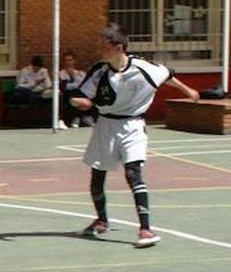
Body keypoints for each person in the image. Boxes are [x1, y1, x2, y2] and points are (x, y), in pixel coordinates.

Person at [69, 22, 199, 248]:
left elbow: (167, 74)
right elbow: (82, 95)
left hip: (133, 125)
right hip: (105, 126)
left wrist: (187, 90)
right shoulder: (99, 71)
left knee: (133, 173)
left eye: (104, 44)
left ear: (118, 47)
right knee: (97, 177)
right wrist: (77, 101)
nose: (100, 48)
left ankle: (146, 229)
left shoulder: (142, 67)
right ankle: (101, 221)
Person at [56, 51, 91, 129]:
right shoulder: (60, 73)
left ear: (74, 61)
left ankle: (80, 117)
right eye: (66, 60)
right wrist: (74, 84)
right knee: (71, 94)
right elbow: (64, 86)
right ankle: (77, 117)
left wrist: (73, 76)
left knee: (81, 93)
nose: (68, 62)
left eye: (70, 60)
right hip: (67, 95)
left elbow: (83, 85)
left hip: (79, 94)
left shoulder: (80, 73)